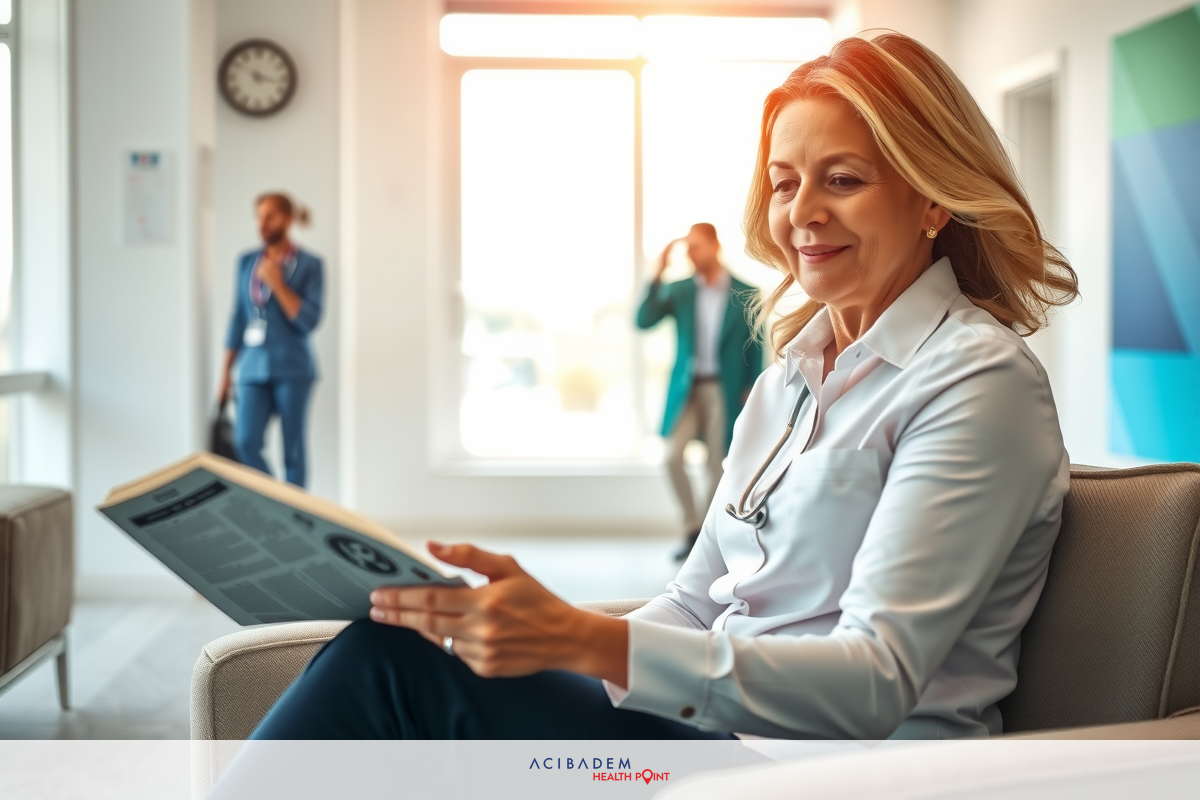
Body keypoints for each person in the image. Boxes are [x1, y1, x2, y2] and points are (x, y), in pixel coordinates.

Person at [228, 31, 1079, 744]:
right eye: (785, 182)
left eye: (843, 179)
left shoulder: (976, 383)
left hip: (828, 769)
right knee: (398, 644)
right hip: (715, 739)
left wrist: (581, 640)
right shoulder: (786, 383)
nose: (802, 213)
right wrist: (541, 635)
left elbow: (875, 683)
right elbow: (693, 603)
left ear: (932, 200)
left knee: (388, 669)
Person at [637, 224, 764, 561]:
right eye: (687, 249)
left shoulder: (745, 292)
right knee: (671, 455)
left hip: (726, 388)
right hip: (688, 389)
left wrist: (753, 388)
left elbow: (756, 345)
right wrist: (658, 271)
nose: (691, 254)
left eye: (697, 247)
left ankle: (708, 539)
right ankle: (692, 528)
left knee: (716, 464)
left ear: (715, 246)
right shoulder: (680, 291)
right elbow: (643, 320)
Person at [219, 193, 324, 488]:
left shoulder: (310, 264)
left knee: (293, 452)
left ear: (288, 219)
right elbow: (238, 318)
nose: (262, 224)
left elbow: (309, 320)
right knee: (245, 441)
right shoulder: (246, 262)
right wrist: (225, 373)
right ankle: (276, 502)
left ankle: (295, 510)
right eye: (259, 217)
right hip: (252, 367)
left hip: (293, 367)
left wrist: (278, 284)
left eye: (270, 217)